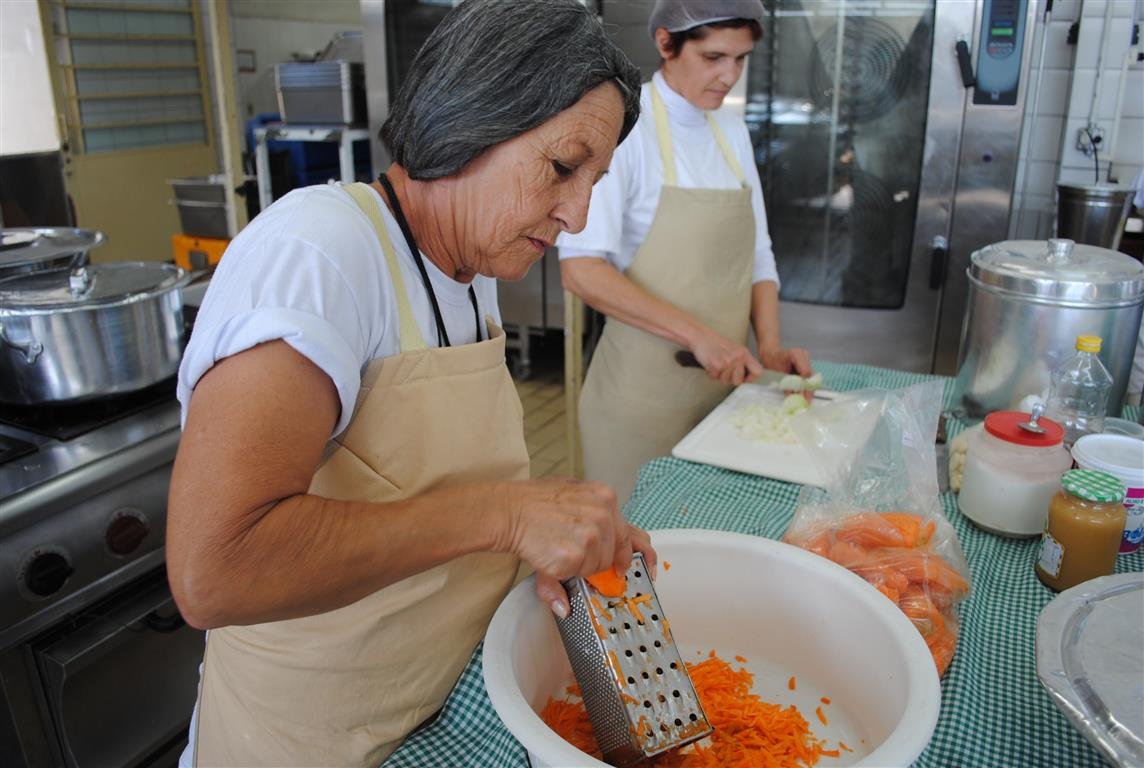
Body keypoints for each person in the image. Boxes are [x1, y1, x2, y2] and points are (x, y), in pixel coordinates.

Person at [166, 2, 652, 765]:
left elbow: (422, 491)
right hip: (307, 742)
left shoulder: (470, 265)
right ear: (471, 120)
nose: (578, 213)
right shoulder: (319, 254)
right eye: (563, 168)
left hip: (432, 711)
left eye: (594, 179)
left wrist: (549, 524)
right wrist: (504, 515)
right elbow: (214, 569)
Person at [558, 0, 813, 503]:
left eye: (740, 60)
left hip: (722, 396)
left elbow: (758, 253)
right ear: (666, 44)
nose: (729, 76)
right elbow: (582, 270)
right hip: (639, 404)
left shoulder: (730, 129)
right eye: (714, 57)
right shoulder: (627, 130)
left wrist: (771, 344)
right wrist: (700, 337)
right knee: (635, 566)